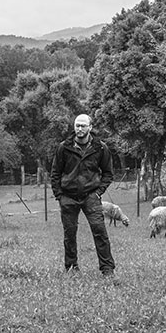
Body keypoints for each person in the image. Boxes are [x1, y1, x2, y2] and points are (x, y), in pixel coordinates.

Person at [50, 114, 116, 276]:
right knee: (69, 234)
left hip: (91, 196)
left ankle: (107, 269)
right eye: (77, 125)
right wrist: (59, 196)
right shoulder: (63, 147)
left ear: (90, 127)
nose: (79, 129)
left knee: (100, 231)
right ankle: (71, 267)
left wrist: (98, 192)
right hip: (68, 196)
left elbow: (108, 173)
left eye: (83, 126)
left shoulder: (100, 148)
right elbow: (55, 173)